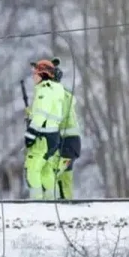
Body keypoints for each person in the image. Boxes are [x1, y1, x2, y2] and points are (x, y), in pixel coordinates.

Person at [24, 59, 67, 200]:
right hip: (53, 135)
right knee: (47, 170)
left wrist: (30, 133)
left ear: (43, 74)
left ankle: (37, 202)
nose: (33, 76)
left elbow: (42, 114)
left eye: (35, 73)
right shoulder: (56, 90)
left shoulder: (44, 90)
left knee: (33, 169)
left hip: (43, 137)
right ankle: (51, 200)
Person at [50, 57, 80, 200]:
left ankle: (58, 205)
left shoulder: (57, 96)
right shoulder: (65, 94)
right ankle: (68, 206)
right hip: (72, 143)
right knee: (65, 177)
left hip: (66, 143)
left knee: (53, 172)